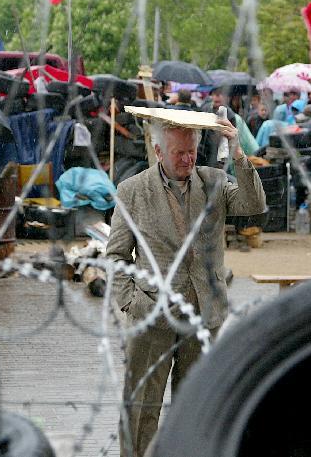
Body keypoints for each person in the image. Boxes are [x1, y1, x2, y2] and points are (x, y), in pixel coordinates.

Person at [107, 115, 266, 457]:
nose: (187, 159)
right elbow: (116, 255)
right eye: (179, 153)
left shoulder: (214, 181)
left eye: (192, 151)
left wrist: (238, 155)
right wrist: (131, 303)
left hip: (205, 314)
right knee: (140, 409)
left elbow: (254, 205)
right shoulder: (132, 191)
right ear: (158, 151)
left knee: (195, 406)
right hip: (152, 315)